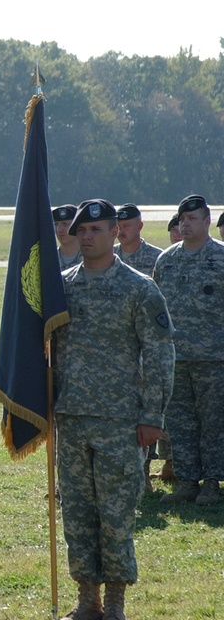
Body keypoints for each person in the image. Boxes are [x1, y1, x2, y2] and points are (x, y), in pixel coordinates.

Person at [52, 199, 174, 620]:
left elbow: (160, 354)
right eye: (81, 231)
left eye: (97, 230)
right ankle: (87, 599)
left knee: (117, 513)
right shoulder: (62, 287)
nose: (86, 237)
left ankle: (117, 602)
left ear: (114, 233)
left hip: (121, 422)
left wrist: (152, 418)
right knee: (79, 514)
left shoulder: (139, 288)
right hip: (70, 418)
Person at [154, 195, 224, 507]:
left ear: (207, 222)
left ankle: (212, 483)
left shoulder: (220, 260)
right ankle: (186, 481)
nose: (185, 224)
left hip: (214, 358)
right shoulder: (166, 261)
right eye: (182, 218)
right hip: (176, 358)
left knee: (213, 423)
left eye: (192, 218)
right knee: (180, 423)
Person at [114, 203, 171, 490]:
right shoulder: (109, 258)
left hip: (145, 348)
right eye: (119, 226)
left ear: (140, 226)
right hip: (118, 351)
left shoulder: (157, 258)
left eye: (128, 225)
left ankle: (145, 472)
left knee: (146, 411)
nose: (122, 230)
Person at [54, 204, 82, 270]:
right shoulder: (49, 258)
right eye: (56, 224)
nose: (59, 229)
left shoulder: (90, 258)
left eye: (65, 224)